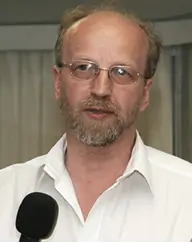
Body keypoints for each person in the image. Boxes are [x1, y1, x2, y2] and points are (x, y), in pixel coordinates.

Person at [1, 4, 192, 243]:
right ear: (58, 83)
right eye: (83, 68)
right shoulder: (5, 193)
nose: (101, 89)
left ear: (145, 94)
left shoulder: (187, 197)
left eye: (122, 72)